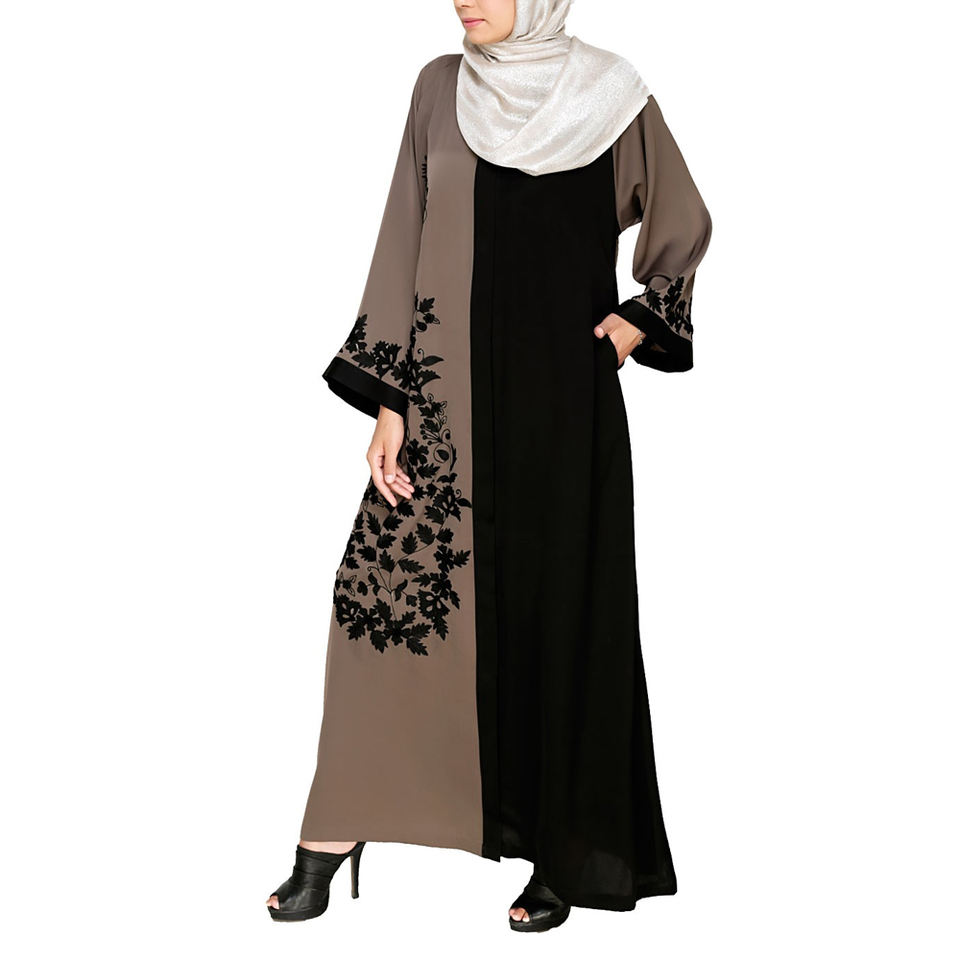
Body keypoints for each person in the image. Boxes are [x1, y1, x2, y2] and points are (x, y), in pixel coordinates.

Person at [266, 0, 711, 932]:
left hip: (562, 411)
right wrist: (390, 402)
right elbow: (403, 236)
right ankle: (335, 828)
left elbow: (682, 218)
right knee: (374, 606)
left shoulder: (613, 96)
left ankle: (561, 846)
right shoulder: (441, 89)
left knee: (558, 615)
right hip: (442, 408)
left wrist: (637, 321)